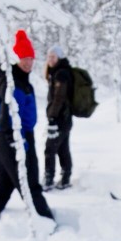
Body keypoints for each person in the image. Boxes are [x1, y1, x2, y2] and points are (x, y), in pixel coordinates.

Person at [0, 29, 55, 223]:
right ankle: (48, 224)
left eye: (31, 58)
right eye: (24, 58)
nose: (28, 62)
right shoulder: (11, 82)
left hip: (7, 139)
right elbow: (7, 113)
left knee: (3, 186)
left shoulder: (18, 79)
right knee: (30, 186)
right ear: (15, 58)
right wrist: (16, 142)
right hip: (14, 139)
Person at [43, 45, 73, 190]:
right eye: (49, 56)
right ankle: (66, 178)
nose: (50, 59)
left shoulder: (61, 74)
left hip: (60, 119)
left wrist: (53, 117)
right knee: (62, 148)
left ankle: (48, 180)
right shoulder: (58, 72)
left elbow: (59, 98)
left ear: (59, 58)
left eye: (53, 57)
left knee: (50, 149)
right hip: (65, 119)